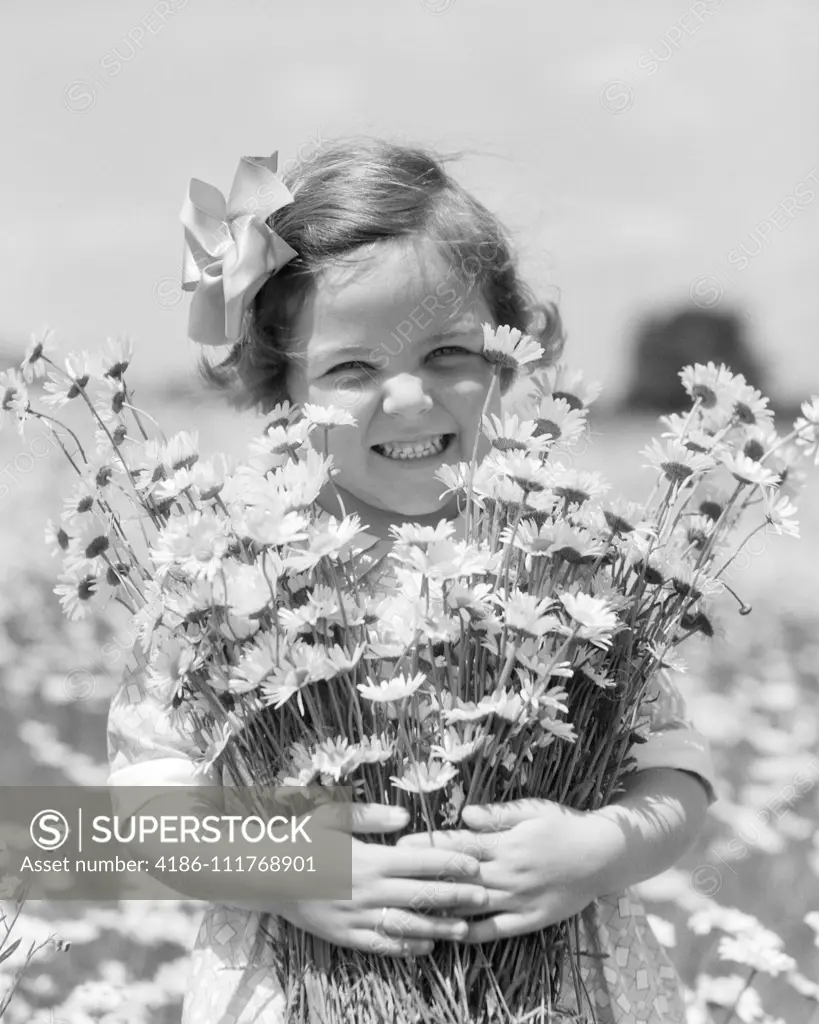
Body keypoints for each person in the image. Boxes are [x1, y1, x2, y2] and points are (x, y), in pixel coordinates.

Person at [107, 138, 718, 1023]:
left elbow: (673, 768)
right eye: (352, 369)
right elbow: (149, 804)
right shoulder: (227, 581)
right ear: (278, 389)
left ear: (508, 357)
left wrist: (596, 852)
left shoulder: (568, 564)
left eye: (448, 355)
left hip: (561, 992)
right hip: (303, 985)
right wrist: (296, 873)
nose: (408, 398)